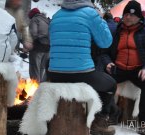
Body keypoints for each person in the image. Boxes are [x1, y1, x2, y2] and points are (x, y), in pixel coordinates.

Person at [48, 0, 116, 135]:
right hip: (80, 72)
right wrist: (100, 19)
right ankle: (98, 122)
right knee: (111, 85)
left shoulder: (56, 15)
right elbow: (106, 42)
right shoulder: (90, 13)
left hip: (54, 73)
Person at [101, 1, 145, 134]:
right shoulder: (116, 30)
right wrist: (108, 63)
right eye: (126, 14)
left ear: (139, 17)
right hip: (118, 68)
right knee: (102, 82)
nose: (128, 17)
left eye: (132, 15)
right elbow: (104, 52)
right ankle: (112, 113)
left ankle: (144, 123)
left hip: (138, 69)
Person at [28, 8, 50, 82]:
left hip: (38, 48)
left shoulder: (34, 19)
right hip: (48, 49)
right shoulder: (47, 20)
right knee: (42, 69)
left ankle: (34, 90)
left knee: (34, 69)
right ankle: (40, 89)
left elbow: (33, 34)